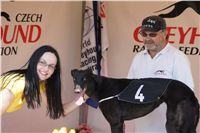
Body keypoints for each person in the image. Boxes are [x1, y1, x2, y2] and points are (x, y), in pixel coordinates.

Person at [127, 15, 194, 132]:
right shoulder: (138, 58)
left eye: (152, 34)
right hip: (141, 126)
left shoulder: (178, 58)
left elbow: (186, 94)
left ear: (164, 33)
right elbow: (129, 88)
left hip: (168, 127)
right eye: (144, 34)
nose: (147, 38)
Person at [0, 45, 87, 119]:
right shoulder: (17, 86)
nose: (46, 69)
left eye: (51, 66)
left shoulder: (39, 83)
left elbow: (57, 111)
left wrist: (84, 96)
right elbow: (6, 95)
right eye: (42, 62)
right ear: (34, 62)